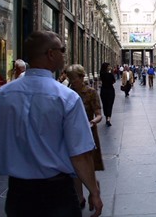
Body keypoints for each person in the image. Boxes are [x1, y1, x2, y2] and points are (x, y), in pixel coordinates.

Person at [0, 30, 103, 217]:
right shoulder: (66, 98)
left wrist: (19, 163)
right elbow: (80, 154)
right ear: (51, 54)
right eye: (62, 49)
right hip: (57, 194)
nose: (64, 53)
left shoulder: (2, 96)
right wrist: (93, 191)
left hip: (17, 194)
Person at [66, 64, 104, 210]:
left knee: (88, 165)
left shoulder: (91, 93)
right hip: (71, 134)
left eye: (74, 79)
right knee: (75, 168)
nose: (71, 81)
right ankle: (80, 198)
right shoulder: (67, 92)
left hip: (88, 133)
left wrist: (93, 121)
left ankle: (93, 188)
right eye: (69, 78)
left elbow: (99, 114)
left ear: (82, 77)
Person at [99, 62, 116, 126]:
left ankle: (106, 116)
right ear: (106, 67)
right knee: (110, 105)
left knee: (105, 104)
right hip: (110, 90)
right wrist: (111, 72)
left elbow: (101, 80)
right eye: (109, 66)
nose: (110, 67)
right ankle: (108, 118)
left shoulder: (101, 74)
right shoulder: (110, 74)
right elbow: (114, 81)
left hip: (103, 90)